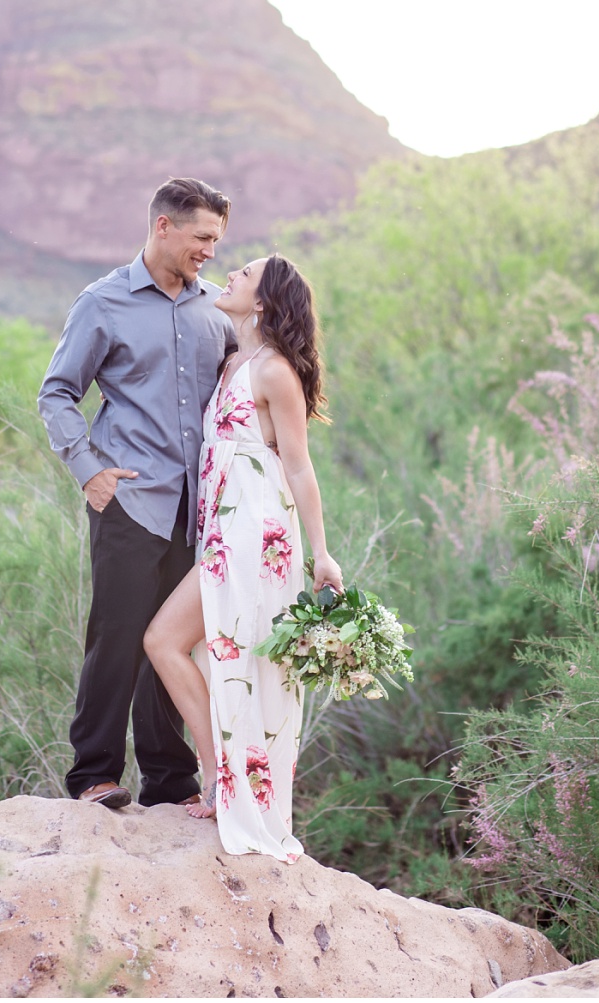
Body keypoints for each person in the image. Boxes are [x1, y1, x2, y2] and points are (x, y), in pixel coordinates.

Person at [38, 176, 236, 812]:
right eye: (202, 237)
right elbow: (57, 393)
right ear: (163, 227)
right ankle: (93, 775)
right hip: (130, 498)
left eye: (217, 240)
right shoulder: (103, 302)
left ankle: (170, 782)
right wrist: (89, 470)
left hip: (195, 509)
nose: (210, 250)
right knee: (119, 635)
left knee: (171, 642)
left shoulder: (216, 311)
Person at [142, 254, 344, 862]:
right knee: (197, 648)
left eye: (245, 273)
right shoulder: (236, 361)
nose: (230, 274)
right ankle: (223, 779)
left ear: (262, 302)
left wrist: (322, 554)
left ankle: (219, 779)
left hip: (254, 532)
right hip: (224, 529)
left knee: (164, 640)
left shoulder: (276, 372)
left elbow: (299, 464)